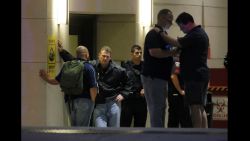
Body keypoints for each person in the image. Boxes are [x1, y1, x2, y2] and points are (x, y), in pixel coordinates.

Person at [155, 12, 210, 128]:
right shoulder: (200, 33)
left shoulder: (195, 35)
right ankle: (204, 135)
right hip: (200, 75)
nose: (181, 30)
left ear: (188, 23)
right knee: (200, 106)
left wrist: (160, 33)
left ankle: (197, 135)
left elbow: (176, 42)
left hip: (194, 76)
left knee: (194, 106)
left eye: (182, 26)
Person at [59, 45, 131, 127]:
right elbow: (77, 62)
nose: (105, 58)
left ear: (110, 58)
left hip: (113, 103)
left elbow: (129, 82)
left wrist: (123, 94)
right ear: (99, 55)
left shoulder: (118, 70)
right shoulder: (93, 65)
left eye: (107, 57)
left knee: (114, 132)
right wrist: (62, 52)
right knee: (100, 131)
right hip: (99, 104)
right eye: (103, 56)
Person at [39, 45, 98, 127]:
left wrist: (46, 78)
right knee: (82, 128)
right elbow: (93, 87)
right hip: (84, 102)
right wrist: (93, 101)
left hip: (69, 101)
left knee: (74, 128)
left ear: (77, 54)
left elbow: (56, 81)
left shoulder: (67, 66)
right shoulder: (89, 67)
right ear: (87, 55)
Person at [141, 9, 177, 127]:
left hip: (161, 78)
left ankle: (160, 133)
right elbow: (154, 52)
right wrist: (172, 53)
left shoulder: (163, 35)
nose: (171, 23)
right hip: (153, 77)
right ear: (161, 18)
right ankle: (157, 135)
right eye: (169, 19)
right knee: (156, 107)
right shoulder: (153, 34)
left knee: (161, 106)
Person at [120, 45, 147, 127]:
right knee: (125, 125)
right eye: (137, 53)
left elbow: (150, 80)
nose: (139, 54)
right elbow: (121, 81)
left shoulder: (145, 66)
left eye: (140, 53)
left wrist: (146, 89)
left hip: (141, 100)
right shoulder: (125, 66)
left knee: (140, 126)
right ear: (132, 54)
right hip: (128, 99)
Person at [167, 58, 192, 128]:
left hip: (175, 94)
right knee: (184, 121)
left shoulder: (178, 60)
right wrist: (180, 90)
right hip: (177, 95)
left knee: (174, 120)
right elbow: (173, 76)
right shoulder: (177, 61)